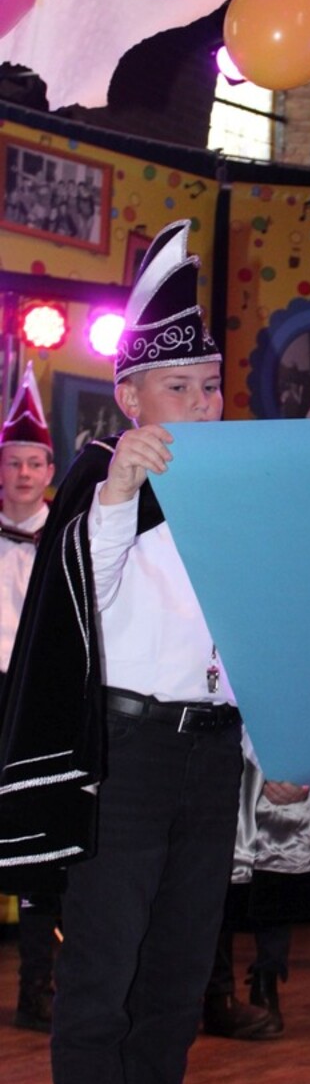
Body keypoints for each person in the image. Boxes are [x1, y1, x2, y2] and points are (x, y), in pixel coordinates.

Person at [0, 220, 244, 1084]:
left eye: (211, 385)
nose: (202, 403)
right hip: (129, 753)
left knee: (180, 974)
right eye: (180, 386)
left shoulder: (237, 491)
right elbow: (79, 613)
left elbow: (251, 627)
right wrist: (116, 495)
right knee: (101, 973)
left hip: (211, 753)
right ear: (131, 396)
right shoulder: (101, 484)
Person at [0, 363, 61, 1032]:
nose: (22, 473)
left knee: (38, 843)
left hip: (38, 695)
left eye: (33, 462)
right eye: (12, 461)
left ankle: (36, 986)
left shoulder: (67, 538)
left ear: (50, 470)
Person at [203, 758, 310, 1039]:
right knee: (211, 870)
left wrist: (305, 770)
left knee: (278, 860)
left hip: (275, 759)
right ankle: (217, 992)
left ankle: (266, 980)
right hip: (214, 756)